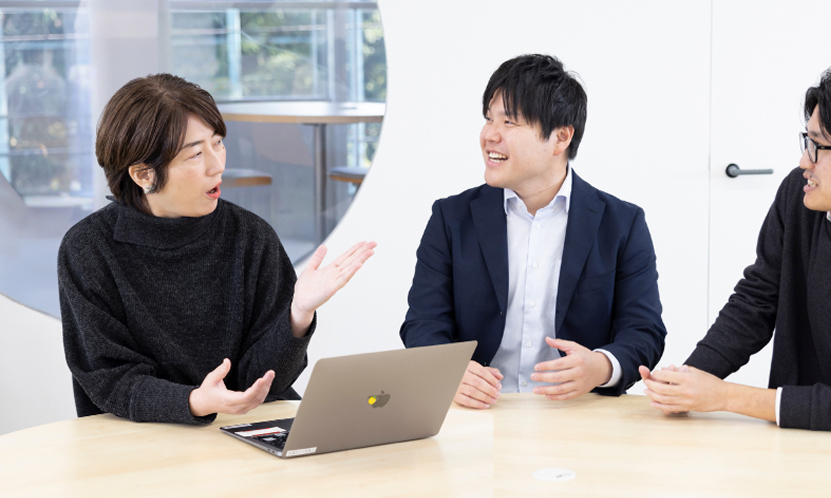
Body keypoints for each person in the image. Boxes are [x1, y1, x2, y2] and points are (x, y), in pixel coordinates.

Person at [640, 66, 831, 492]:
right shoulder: (800, 197)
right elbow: (756, 300)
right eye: (806, 141)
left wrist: (722, 395)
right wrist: (687, 381)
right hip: (793, 438)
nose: (804, 161)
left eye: (819, 146)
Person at [59, 73, 376, 424]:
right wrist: (195, 401)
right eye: (196, 154)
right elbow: (110, 380)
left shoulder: (251, 236)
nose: (218, 165)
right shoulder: (88, 249)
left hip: (244, 430)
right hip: (139, 438)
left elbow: (267, 385)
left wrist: (297, 315)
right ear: (144, 175)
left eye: (218, 143)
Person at [401, 54, 666, 409]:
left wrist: (600, 367)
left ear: (560, 137)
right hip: (478, 410)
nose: (489, 135)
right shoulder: (451, 218)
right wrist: (448, 370)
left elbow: (644, 331)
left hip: (577, 413)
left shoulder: (621, 223)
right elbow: (422, 323)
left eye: (509, 122)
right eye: (489, 118)